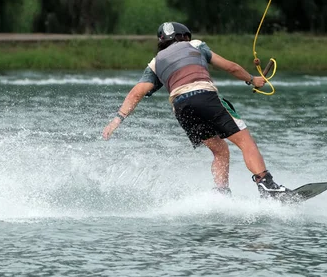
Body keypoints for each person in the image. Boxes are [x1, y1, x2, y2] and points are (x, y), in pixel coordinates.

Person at [102, 21, 289, 198]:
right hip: (204, 97)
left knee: (220, 150)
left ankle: (221, 194)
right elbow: (231, 67)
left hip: (182, 109)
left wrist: (117, 120)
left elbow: (137, 92)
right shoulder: (196, 45)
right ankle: (267, 186)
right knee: (245, 142)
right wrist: (252, 79)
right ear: (184, 36)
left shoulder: (155, 63)